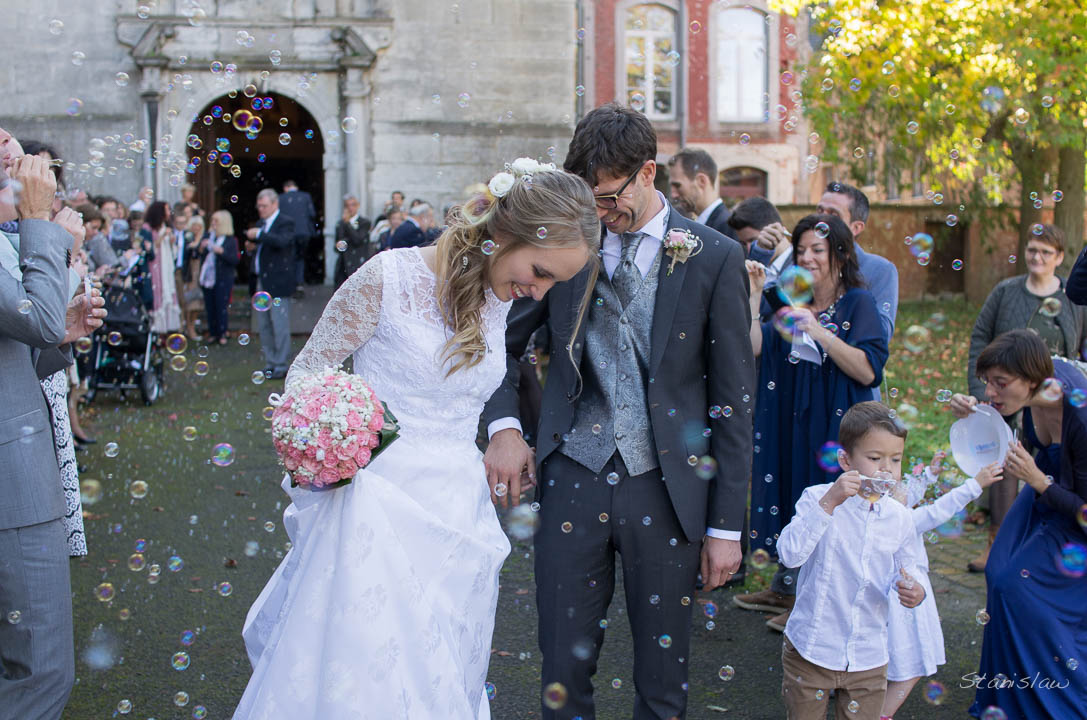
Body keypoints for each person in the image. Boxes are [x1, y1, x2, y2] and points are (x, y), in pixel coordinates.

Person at [235, 163, 597, 720]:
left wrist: (504, 431)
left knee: (444, 673)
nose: (539, 290)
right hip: (373, 509)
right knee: (367, 679)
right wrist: (341, 439)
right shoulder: (389, 277)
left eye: (553, 284)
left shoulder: (499, 299)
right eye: (540, 271)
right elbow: (308, 375)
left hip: (459, 514)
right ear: (505, 232)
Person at [482, 103, 754, 720]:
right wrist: (504, 426)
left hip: (669, 487)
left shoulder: (714, 256)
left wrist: (725, 528)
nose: (599, 215)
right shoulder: (566, 247)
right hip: (571, 474)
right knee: (562, 667)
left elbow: (733, 402)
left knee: (663, 681)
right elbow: (498, 343)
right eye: (588, 200)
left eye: (607, 198)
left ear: (649, 173)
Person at [736, 214, 889, 632]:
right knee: (797, 499)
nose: (806, 258)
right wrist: (753, 299)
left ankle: (821, 606)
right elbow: (754, 347)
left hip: (836, 425)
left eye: (816, 250)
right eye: (801, 250)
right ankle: (799, 594)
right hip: (792, 420)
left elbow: (868, 369)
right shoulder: (790, 302)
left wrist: (821, 333)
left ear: (839, 254)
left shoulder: (858, 301)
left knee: (835, 507)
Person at [0, 152, 104, 720]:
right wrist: (44, 227)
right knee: (40, 674)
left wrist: (57, 337)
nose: (23, 167)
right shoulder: (25, 232)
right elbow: (34, 317)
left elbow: (27, 347)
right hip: (13, 485)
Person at [951, 330, 1087, 719]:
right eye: (987, 382)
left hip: (1069, 508)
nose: (992, 391)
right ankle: (1006, 698)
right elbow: (996, 428)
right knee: (998, 570)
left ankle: (1058, 699)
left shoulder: (1081, 416)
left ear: (1031, 378)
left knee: (1017, 586)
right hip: (1045, 483)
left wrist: (1038, 481)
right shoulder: (1039, 381)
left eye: (1000, 384)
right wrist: (976, 412)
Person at [776, 401, 926, 720]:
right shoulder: (817, 498)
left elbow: (909, 569)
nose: (886, 469)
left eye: (895, 459)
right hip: (812, 650)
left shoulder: (900, 518)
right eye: (875, 458)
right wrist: (829, 502)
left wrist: (915, 591)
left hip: (869, 656)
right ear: (845, 459)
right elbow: (790, 554)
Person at [963, 223, 1086, 572]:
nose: (1037, 256)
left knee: (1040, 468)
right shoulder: (1007, 291)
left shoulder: (1071, 296)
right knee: (1006, 467)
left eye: (1046, 252)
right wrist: (982, 396)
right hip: (1013, 395)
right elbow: (980, 340)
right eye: (1032, 249)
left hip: (1047, 393)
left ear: (1059, 258)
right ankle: (998, 539)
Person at [881, 453, 1003, 718]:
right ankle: (881, 714)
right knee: (911, 665)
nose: (903, 486)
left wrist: (929, 475)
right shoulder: (907, 520)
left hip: (894, 595)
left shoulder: (883, 512)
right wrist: (976, 484)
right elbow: (941, 508)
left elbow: (909, 494)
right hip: (910, 601)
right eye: (898, 490)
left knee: (886, 663)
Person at [817, 182, 899, 344]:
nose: (821, 219)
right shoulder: (802, 260)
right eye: (819, 211)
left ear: (856, 228)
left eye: (833, 214)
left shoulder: (880, 270)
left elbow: (882, 334)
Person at [245, 189, 296, 380]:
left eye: (264, 206)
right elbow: (265, 248)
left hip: (279, 282)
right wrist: (253, 247)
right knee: (264, 326)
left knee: (280, 325)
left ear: (275, 204)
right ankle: (271, 363)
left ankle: (282, 364)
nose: (260, 209)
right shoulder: (262, 224)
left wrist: (259, 235)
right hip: (261, 281)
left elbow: (282, 242)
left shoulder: (285, 222)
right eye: (259, 206)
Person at [666, 147, 736, 239]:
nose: (673, 194)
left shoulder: (727, 227)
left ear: (701, 181)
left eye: (677, 185)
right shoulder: (707, 222)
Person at [727, 196, 793, 281]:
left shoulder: (801, 265)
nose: (749, 248)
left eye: (754, 240)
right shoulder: (754, 269)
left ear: (775, 229)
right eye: (743, 243)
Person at [198, 210, 239, 346]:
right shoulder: (208, 237)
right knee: (210, 306)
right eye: (212, 221)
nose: (213, 224)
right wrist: (202, 248)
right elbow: (199, 256)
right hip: (208, 278)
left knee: (221, 306)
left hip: (223, 278)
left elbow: (234, 260)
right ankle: (213, 333)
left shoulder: (230, 240)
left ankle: (222, 333)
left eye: (216, 221)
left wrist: (221, 252)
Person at [141, 200, 181, 334]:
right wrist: (163, 236)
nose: (169, 213)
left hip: (166, 265)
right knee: (157, 292)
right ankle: (156, 330)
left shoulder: (166, 226)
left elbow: (173, 251)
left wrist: (171, 241)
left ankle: (166, 330)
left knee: (167, 292)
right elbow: (150, 250)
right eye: (167, 210)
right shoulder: (148, 228)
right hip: (155, 267)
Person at [277, 179, 317, 294]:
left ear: (285, 188)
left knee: (288, 258)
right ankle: (299, 283)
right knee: (300, 258)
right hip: (303, 233)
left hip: (287, 233)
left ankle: (290, 283)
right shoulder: (306, 196)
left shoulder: (281, 198)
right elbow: (312, 214)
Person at [333, 195, 372, 288]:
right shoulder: (340, 223)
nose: (350, 208)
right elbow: (338, 244)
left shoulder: (364, 222)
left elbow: (357, 240)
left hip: (357, 261)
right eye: (348, 206)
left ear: (357, 206)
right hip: (343, 265)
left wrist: (348, 224)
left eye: (353, 205)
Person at [181, 215, 207, 340]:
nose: (196, 228)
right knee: (189, 303)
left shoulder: (205, 239)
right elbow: (185, 258)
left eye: (199, 226)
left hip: (202, 275)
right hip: (191, 274)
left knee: (198, 304)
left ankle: (192, 326)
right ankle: (188, 328)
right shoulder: (187, 239)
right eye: (194, 226)